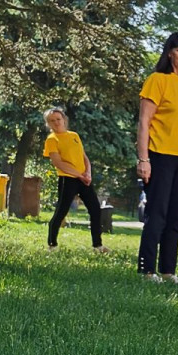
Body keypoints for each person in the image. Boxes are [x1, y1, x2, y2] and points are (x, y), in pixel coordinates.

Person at [136, 32, 178, 282]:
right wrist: (143, 159)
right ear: (170, 53)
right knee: (157, 213)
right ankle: (146, 269)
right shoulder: (157, 80)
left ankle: (168, 270)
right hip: (160, 155)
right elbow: (144, 122)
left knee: (175, 216)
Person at [42, 108, 108, 253]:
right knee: (61, 212)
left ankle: (98, 245)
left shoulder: (74, 135)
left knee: (95, 210)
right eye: (52, 121)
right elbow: (58, 163)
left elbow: (84, 157)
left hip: (83, 179)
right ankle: (52, 245)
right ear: (48, 124)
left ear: (64, 120)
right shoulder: (52, 139)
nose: (56, 122)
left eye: (58, 119)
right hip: (68, 179)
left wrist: (88, 173)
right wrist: (79, 175)